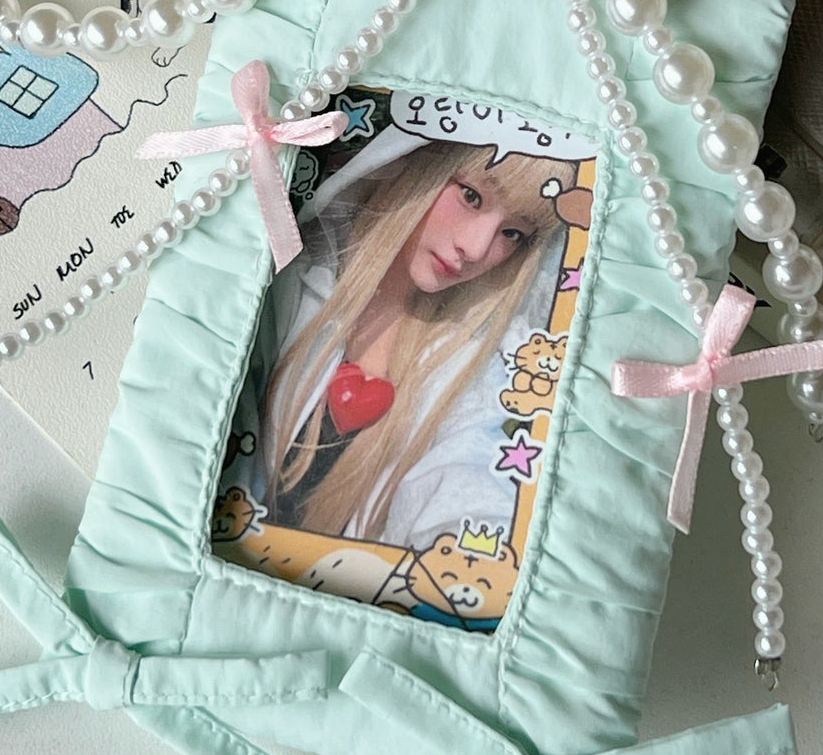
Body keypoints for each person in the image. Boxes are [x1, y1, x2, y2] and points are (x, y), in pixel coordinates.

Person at [228, 136, 578, 552]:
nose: (476, 247)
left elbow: (470, 487)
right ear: (415, 162)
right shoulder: (279, 275)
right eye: (471, 196)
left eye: (513, 233)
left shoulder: (473, 373)